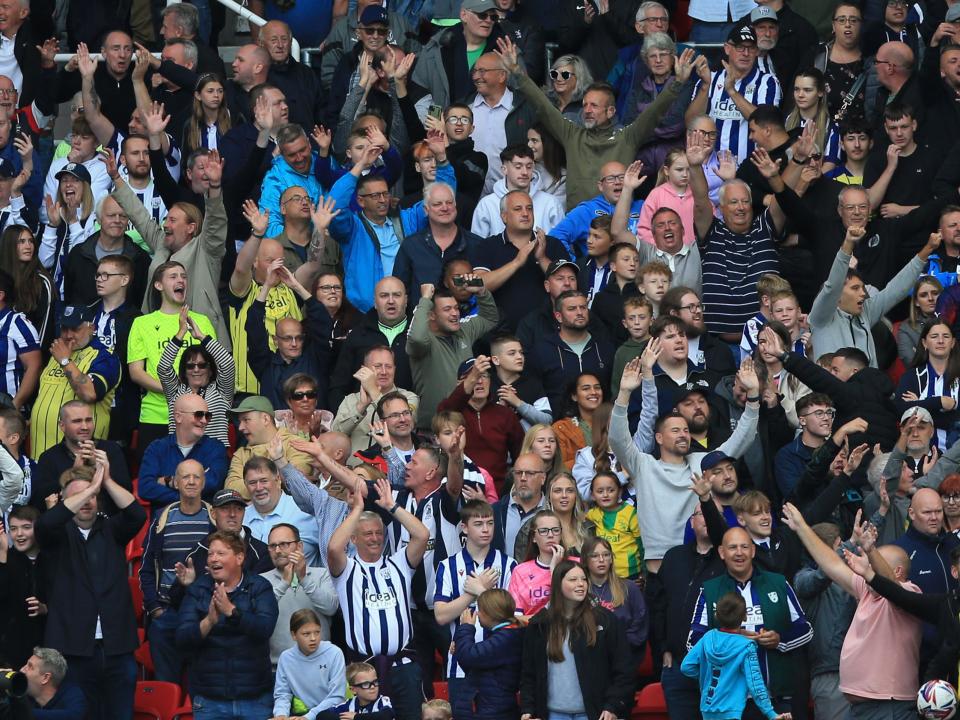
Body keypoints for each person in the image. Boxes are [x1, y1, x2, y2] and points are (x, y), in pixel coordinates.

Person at [495, 35, 695, 210]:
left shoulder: (627, 137)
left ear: (610, 111)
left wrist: (677, 83)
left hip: (617, 218)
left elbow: (654, 112)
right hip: (579, 225)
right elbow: (542, 105)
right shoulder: (572, 134)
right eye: (585, 105)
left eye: (594, 106)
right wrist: (517, 72)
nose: (587, 110)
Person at [611, 356, 760, 572]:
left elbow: (742, 439)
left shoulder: (702, 463)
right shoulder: (643, 465)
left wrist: (753, 395)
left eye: (686, 430)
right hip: (659, 567)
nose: (683, 435)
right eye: (675, 430)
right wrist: (624, 393)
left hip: (698, 559)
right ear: (659, 438)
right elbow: (617, 439)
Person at [782, 502, 923, 720]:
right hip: (862, 706)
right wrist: (802, 527)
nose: (866, 565)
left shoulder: (909, 592)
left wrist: (871, 550)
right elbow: (831, 565)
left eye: (873, 562)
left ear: (897, 570)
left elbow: (890, 586)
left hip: (889, 705)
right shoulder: (866, 590)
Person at [36, 459, 145, 720]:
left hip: (117, 649)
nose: (87, 501)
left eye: (93, 496)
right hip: (73, 651)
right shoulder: (57, 535)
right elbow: (45, 525)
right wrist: (87, 488)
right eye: (79, 496)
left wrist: (105, 481)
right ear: (65, 501)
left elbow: (137, 515)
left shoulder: (112, 529)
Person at [327, 471, 430, 720]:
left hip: (403, 667)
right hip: (365, 670)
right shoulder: (346, 569)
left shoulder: (399, 564)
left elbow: (422, 535)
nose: (374, 538)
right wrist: (357, 510)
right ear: (354, 538)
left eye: (378, 533)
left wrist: (392, 507)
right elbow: (332, 547)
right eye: (367, 533)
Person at [106, 147, 228, 342]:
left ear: (191, 227)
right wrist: (116, 177)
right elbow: (140, 216)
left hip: (201, 340)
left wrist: (214, 187)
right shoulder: (163, 244)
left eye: (172, 220)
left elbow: (215, 221)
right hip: (160, 337)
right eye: (166, 220)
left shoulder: (206, 249)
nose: (165, 224)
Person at [688, 527, 813, 715]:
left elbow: (806, 629)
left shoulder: (778, 583)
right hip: (728, 702)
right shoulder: (710, 590)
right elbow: (693, 641)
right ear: (722, 553)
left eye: (744, 547)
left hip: (775, 698)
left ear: (753, 551)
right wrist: (731, 640)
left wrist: (780, 640)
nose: (739, 553)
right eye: (732, 547)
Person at [176, 530, 280, 720]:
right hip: (210, 700)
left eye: (221, 553)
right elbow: (182, 639)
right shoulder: (198, 589)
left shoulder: (259, 587)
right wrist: (209, 622)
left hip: (255, 698)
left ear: (239, 558)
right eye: (210, 553)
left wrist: (232, 611)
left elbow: (265, 628)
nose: (213, 559)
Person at [518, 560, 634, 720]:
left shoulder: (605, 620)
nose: (581, 584)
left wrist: (613, 705)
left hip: (595, 713)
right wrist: (528, 709)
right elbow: (528, 673)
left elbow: (623, 668)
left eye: (584, 579)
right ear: (558, 584)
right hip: (553, 714)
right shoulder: (540, 624)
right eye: (573, 580)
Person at [433, 499, 517, 717]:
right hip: (460, 665)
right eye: (478, 524)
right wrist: (470, 594)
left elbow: (512, 617)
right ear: (465, 527)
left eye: (490, 523)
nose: (486, 529)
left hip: (498, 665)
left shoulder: (509, 564)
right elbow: (441, 615)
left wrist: (480, 591)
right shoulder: (447, 565)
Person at [127, 262, 218, 450]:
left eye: (184, 276)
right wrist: (174, 390)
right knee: (156, 476)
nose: (181, 280)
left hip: (197, 414)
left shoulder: (201, 321)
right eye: (173, 276)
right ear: (158, 285)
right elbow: (136, 372)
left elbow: (214, 364)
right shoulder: (142, 323)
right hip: (156, 415)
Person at [138, 459, 213, 683]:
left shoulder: (214, 518)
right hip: (167, 612)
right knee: (166, 682)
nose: (191, 481)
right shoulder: (162, 519)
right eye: (185, 477)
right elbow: (146, 568)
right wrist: (154, 608)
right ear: (176, 482)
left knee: (200, 683)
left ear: (204, 482)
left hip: (203, 611)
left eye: (196, 477)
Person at [681, 592, 792, 720]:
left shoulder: (707, 637)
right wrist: (771, 714)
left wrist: (706, 675)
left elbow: (686, 667)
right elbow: (755, 684)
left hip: (707, 708)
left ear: (716, 615)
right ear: (745, 616)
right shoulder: (747, 646)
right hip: (732, 711)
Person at [406, 280, 498, 431]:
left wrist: (481, 291)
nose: (455, 313)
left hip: (466, 426)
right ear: (431, 315)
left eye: (456, 308)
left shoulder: (464, 331)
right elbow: (416, 338)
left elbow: (490, 318)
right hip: (433, 431)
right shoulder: (424, 341)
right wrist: (425, 300)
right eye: (447, 309)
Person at [29, 306, 120, 458]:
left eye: (75, 329)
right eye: (64, 328)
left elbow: (90, 393)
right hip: (41, 455)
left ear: (92, 327)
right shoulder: (57, 354)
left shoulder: (105, 356)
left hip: (80, 460)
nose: (68, 335)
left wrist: (65, 361)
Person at [245, 263, 332, 411]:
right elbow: (254, 328)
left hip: (313, 430)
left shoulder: (315, 358)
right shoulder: (266, 365)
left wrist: (296, 286)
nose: (294, 343)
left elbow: (322, 320)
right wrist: (267, 285)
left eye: (299, 338)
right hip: (277, 432)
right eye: (287, 338)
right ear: (275, 340)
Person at [437, 357, 524, 492]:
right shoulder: (454, 412)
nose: (479, 381)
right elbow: (443, 414)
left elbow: (521, 454)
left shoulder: (505, 414)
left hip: (498, 492)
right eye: (473, 376)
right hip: (461, 490)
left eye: (484, 376)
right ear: (460, 384)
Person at [260, 523, 338, 667]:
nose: (277, 550)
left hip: (321, 665)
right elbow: (258, 615)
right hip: (278, 668)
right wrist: (283, 584)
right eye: (272, 546)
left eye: (284, 544)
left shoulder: (322, 574)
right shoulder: (260, 581)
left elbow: (331, 608)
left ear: (300, 546)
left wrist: (304, 579)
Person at [157, 305, 235, 448]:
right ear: (184, 370)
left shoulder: (221, 391)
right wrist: (181, 333)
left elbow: (228, 363)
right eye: (190, 366)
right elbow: (163, 367)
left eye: (202, 365)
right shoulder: (176, 392)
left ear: (210, 369)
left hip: (213, 455)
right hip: (180, 455)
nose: (196, 369)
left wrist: (201, 336)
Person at [136, 394, 228, 512]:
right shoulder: (157, 448)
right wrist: (190, 494)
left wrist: (169, 481)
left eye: (207, 416)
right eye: (198, 415)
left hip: (204, 522)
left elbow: (213, 482)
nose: (204, 421)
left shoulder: (215, 448)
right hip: (164, 523)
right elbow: (145, 488)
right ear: (178, 417)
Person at [453, 589, 525, 720]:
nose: (478, 614)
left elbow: (469, 657)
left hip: (492, 712)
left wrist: (466, 628)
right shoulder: (503, 635)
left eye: (479, 610)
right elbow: (473, 665)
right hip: (489, 708)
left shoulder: (506, 637)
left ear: (489, 613)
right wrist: (461, 646)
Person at [332, 347, 419, 454]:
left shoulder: (409, 398)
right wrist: (360, 408)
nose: (384, 372)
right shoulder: (351, 400)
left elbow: (406, 424)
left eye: (388, 366)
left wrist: (373, 391)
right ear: (364, 370)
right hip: (353, 467)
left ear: (395, 369)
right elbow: (334, 436)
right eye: (377, 366)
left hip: (390, 467)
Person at [224, 395, 315, 497]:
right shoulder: (241, 453)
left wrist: (251, 488)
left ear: (265, 419)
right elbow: (231, 488)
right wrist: (277, 480)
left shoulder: (296, 444)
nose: (240, 427)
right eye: (240, 422)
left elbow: (298, 482)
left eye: (246, 420)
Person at [241, 456, 320, 566]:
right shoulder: (241, 518)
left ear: (277, 479)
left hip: (304, 582)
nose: (258, 488)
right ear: (245, 485)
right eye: (252, 482)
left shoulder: (304, 510)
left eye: (264, 481)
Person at [581, 535, 648, 664]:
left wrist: (619, 646)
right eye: (594, 556)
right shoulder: (580, 591)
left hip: (625, 657)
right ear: (585, 560)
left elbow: (640, 624)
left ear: (611, 559)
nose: (601, 560)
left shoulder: (629, 587)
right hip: (590, 659)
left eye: (606, 555)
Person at [272, 608, 347, 720]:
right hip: (303, 715)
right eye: (306, 634)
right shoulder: (286, 658)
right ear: (293, 635)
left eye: (317, 632)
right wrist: (281, 715)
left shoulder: (334, 653)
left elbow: (337, 696)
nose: (313, 638)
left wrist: (309, 717)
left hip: (333, 715)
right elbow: (282, 694)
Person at [0, 506, 46, 670]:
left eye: (26, 527)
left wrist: (45, 608)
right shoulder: (7, 558)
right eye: (13, 528)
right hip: (11, 655)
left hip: (46, 650)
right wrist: (3, 555)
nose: (19, 534)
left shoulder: (51, 559)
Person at [0, 225, 53, 351]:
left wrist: (35, 361)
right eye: (21, 241)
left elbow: (45, 330)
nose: (28, 246)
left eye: (31, 241)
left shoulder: (41, 281)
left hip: (29, 358)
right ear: (9, 245)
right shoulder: (2, 278)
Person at [584, 476, 643, 580]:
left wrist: (644, 574)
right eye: (600, 491)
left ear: (619, 492)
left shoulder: (630, 513)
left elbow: (641, 544)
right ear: (592, 495)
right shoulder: (592, 514)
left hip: (630, 574)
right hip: (605, 574)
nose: (605, 495)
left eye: (611, 490)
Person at [507, 509, 564, 616]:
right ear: (533, 537)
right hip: (530, 630)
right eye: (543, 531)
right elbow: (516, 617)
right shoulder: (521, 571)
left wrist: (555, 571)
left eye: (555, 530)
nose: (550, 535)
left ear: (561, 534)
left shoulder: (575, 565)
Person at [551, 373, 604, 470]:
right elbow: (560, 467)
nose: (593, 392)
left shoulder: (613, 424)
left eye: (597, 388)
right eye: (586, 388)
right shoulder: (562, 428)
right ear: (574, 396)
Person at [18, 648, 88, 719]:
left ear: (45, 678)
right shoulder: (24, 693)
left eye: (30, 666)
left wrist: (21, 713)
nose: (21, 670)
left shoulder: (72, 694)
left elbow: (74, 716)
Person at [898, 275, 943, 365]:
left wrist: (923, 354)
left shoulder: (955, 320)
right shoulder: (906, 328)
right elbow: (911, 363)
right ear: (916, 302)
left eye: (935, 293)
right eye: (924, 295)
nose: (930, 298)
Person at [275, 374, 335, 441]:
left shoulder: (327, 423)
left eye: (310, 394)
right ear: (289, 401)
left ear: (316, 400)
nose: (305, 399)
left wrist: (316, 433)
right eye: (298, 395)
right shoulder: (277, 425)